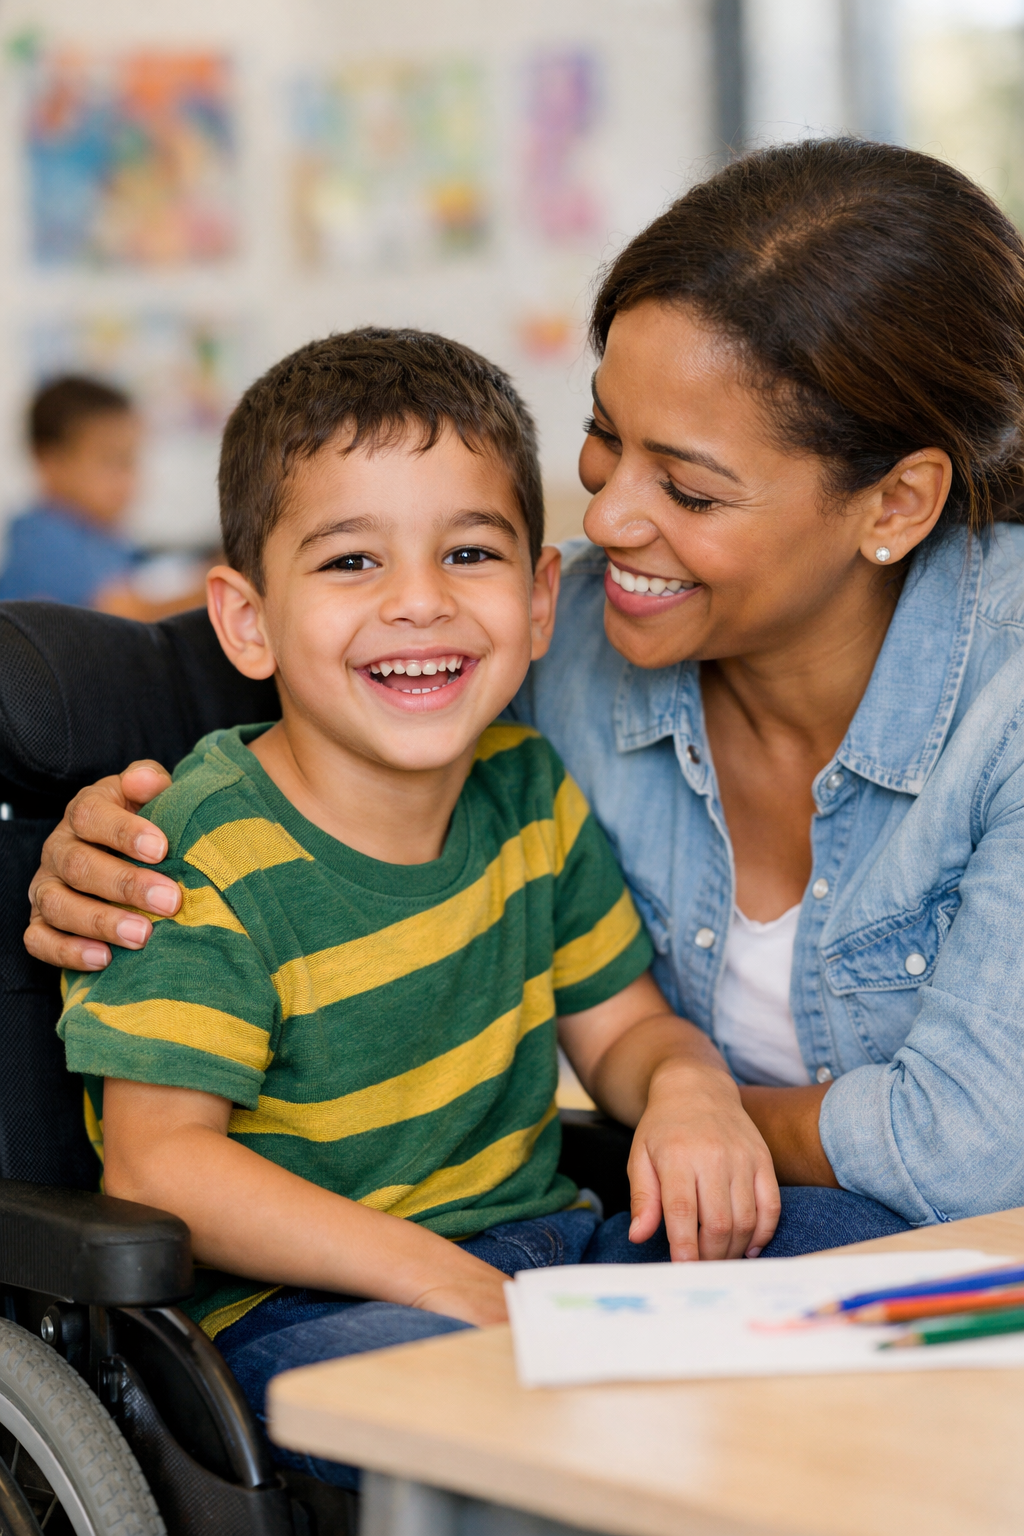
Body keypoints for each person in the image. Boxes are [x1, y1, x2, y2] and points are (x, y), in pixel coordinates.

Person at [30, 138, 1024, 1242]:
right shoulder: (563, 640)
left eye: (687, 487)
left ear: (894, 505)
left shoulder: (1004, 696)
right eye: (603, 436)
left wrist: (690, 1107)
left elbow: (967, 1150)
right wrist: (93, 814)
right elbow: (274, 670)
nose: (602, 520)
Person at [57, 327, 783, 1488]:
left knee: (859, 1263)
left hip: (543, 1247)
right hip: (302, 1312)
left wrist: (690, 1092)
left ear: (542, 601)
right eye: (351, 563)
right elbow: (161, 1171)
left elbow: (627, 1029)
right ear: (247, 619)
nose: (418, 603)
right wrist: (436, 1278)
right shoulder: (201, 850)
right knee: (521, 1422)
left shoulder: (526, 791)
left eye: (470, 554)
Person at [0, 374, 207, 619]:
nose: (130, 480)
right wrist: (207, 591)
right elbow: (117, 615)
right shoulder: (43, 541)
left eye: (131, 461)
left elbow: (146, 571)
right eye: (112, 462)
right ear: (49, 462)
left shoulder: (103, 536)